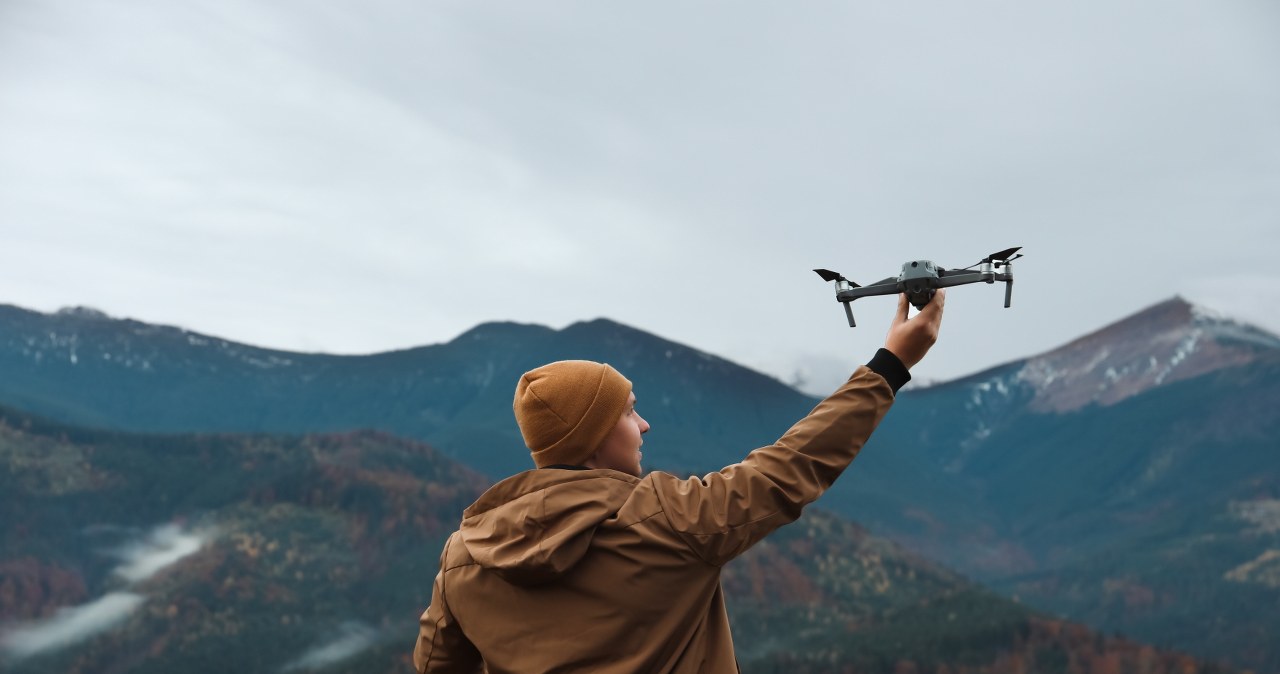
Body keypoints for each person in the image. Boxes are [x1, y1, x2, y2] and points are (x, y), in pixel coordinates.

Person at [413, 292, 945, 673]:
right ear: (595, 436)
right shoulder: (669, 521)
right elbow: (789, 468)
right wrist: (890, 365)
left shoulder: (464, 557)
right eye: (628, 413)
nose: (643, 425)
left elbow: (436, 665)